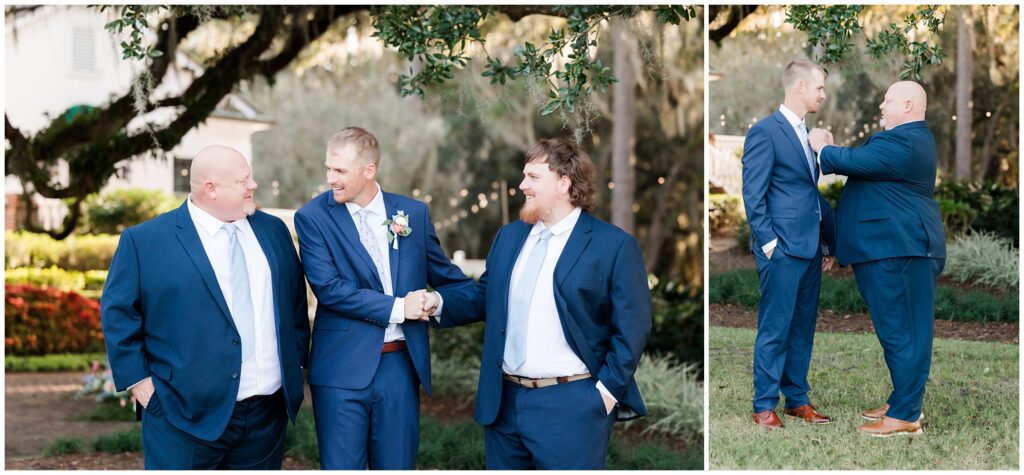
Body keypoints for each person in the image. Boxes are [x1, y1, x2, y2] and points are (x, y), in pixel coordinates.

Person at [435, 138, 652, 469]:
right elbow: (485, 297)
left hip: (572, 406)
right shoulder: (510, 236)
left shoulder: (613, 246)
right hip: (503, 404)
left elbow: (633, 326)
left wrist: (604, 395)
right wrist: (435, 303)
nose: (523, 185)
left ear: (564, 183)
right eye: (524, 176)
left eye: (533, 177)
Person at [101, 145, 310, 469]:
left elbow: (294, 300)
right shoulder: (146, 241)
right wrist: (141, 385)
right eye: (243, 180)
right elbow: (118, 314)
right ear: (210, 189)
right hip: (181, 415)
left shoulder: (273, 231)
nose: (253, 185)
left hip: (266, 416)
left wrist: (294, 363)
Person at [293, 127, 475, 469]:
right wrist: (399, 307)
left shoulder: (412, 214)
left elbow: (450, 280)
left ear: (369, 170)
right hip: (340, 370)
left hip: (399, 367)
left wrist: (440, 303)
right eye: (328, 168)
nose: (331, 178)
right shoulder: (313, 218)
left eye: (340, 171)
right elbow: (329, 289)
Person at [808, 80, 946, 437]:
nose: (881, 107)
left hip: (901, 249)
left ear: (909, 106)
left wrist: (824, 148)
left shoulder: (907, 140)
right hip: (889, 249)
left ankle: (905, 415)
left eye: (888, 101)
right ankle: (902, 399)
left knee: (905, 333)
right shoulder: (907, 139)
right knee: (896, 331)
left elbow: (855, 161)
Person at [741, 59, 837, 430]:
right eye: (819, 89)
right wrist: (768, 244)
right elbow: (753, 194)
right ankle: (764, 404)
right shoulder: (765, 132)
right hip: (780, 251)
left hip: (810, 249)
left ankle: (796, 398)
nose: (822, 95)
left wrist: (825, 244)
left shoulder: (806, 134)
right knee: (775, 327)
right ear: (799, 87)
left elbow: (808, 194)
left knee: (802, 327)